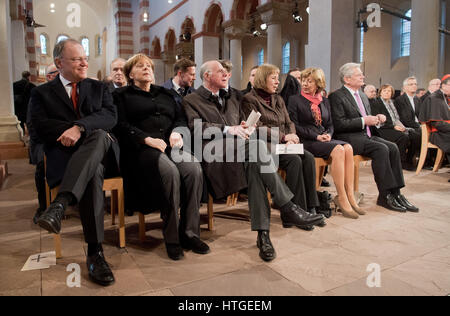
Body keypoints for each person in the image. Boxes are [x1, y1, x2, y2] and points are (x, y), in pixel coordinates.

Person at [183, 60, 325, 262]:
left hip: (242, 151)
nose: (226, 75)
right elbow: (196, 129)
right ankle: (289, 206)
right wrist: (229, 129)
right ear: (206, 76)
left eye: (227, 72)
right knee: (258, 148)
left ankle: (263, 236)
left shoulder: (233, 97)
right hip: (215, 155)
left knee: (257, 167)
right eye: (221, 72)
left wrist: (244, 126)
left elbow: (246, 123)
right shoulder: (192, 100)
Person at [30, 39, 118, 286]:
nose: (84, 62)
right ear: (60, 63)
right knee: (93, 173)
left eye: (85, 57)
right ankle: (95, 253)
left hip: (102, 152)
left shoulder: (99, 87)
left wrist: (80, 128)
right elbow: (41, 125)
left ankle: (60, 204)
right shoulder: (41, 93)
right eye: (77, 58)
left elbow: (110, 117)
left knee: (100, 134)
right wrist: (73, 131)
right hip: (65, 159)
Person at [114, 54, 209, 261]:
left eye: (149, 65)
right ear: (131, 73)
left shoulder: (165, 93)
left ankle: (190, 233)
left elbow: (180, 118)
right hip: (141, 150)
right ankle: (172, 237)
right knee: (171, 172)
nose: (147, 68)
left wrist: (177, 132)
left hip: (169, 146)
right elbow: (120, 125)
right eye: (141, 66)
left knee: (193, 168)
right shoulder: (121, 95)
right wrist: (146, 139)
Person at [242, 64, 326, 225]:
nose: (277, 82)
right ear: (262, 79)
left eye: (277, 78)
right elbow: (257, 127)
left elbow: (289, 121)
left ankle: (310, 207)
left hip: (284, 143)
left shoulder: (278, 98)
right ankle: (293, 212)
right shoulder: (249, 100)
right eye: (273, 78)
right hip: (266, 145)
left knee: (307, 157)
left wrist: (292, 135)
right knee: (294, 160)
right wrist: (283, 137)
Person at [329, 63, 419, 213]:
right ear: (347, 79)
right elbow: (339, 124)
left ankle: (396, 193)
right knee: (381, 149)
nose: (363, 76)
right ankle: (384, 196)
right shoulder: (337, 96)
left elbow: (368, 120)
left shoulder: (363, 96)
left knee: (393, 147)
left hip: (367, 135)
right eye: (359, 75)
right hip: (349, 138)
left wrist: (377, 119)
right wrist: (365, 121)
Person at [288, 67, 365, 219]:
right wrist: (317, 136)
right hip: (306, 141)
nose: (305, 84)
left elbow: (330, 124)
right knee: (338, 150)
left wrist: (328, 134)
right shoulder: (294, 100)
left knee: (348, 147)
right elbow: (294, 125)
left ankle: (350, 195)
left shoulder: (324, 101)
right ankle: (341, 197)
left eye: (309, 81)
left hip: (323, 139)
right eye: (303, 80)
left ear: (318, 83)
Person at [28, 64, 59, 224]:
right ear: (49, 76)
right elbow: (33, 126)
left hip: (61, 140)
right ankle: (43, 206)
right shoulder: (39, 94)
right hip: (42, 141)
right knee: (43, 164)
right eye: (57, 73)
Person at [371, 84, 420, 171]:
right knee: (403, 137)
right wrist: (394, 126)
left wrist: (401, 127)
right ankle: (401, 162)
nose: (386, 93)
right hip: (382, 129)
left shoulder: (391, 103)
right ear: (380, 93)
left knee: (414, 135)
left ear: (392, 93)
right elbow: (377, 121)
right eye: (384, 91)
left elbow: (396, 119)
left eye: (389, 91)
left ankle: (409, 160)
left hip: (393, 126)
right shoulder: (376, 103)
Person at [419, 75, 450, 170]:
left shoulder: (445, 98)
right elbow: (437, 124)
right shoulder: (435, 98)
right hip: (437, 133)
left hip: (445, 131)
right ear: (443, 86)